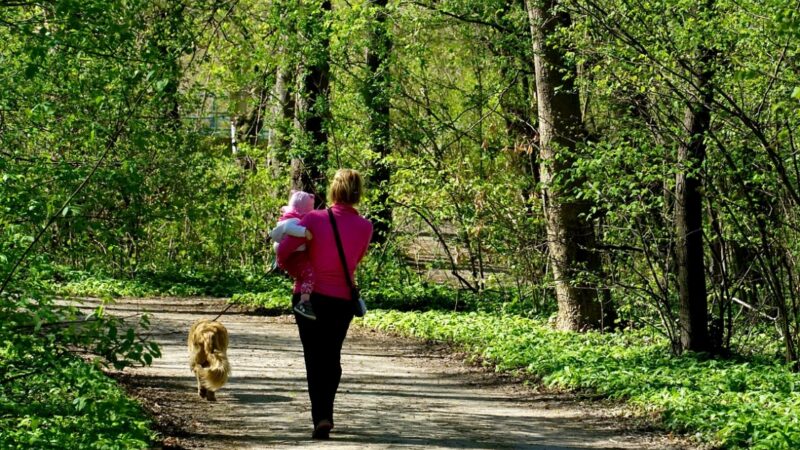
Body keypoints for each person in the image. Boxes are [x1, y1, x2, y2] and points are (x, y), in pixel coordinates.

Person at [277, 169, 373, 440]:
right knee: (332, 356)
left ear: (333, 190)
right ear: (358, 193)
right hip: (342, 300)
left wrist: (299, 271)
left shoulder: (313, 219)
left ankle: (321, 416)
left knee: (314, 357)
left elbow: (283, 251)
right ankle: (326, 413)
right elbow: (355, 260)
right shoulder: (366, 227)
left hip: (310, 299)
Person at [270, 190, 317, 320]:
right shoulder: (293, 220)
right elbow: (289, 229)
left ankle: (301, 298)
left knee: (302, 277)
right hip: (296, 257)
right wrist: (304, 232)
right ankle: (304, 302)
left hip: (292, 256)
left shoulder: (287, 218)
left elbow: (274, 234)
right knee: (309, 275)